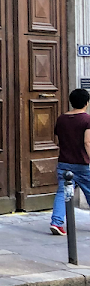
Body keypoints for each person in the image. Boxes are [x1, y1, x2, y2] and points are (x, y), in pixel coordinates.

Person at [50, 88, 90, 235]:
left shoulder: (61, 119)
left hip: (64, 162)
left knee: (62, 193)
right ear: (86, 102)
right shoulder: (87, 120)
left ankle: (56, 222)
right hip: (82, 164)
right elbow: (87, 142)